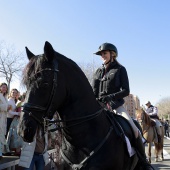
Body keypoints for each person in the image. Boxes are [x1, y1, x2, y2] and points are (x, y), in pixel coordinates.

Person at [92, 42, 152, 170]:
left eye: (105, 53)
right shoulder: (98, 72)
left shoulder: (120, 69)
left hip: (115, 107)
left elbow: (125, 90)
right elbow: (93, 91)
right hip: (100, 108)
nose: (102, 56)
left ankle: (143, 161)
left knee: (135, 129)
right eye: (101, 54)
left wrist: (110, 97)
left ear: (112, 54)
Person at [0, 83, 10, 159]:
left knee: (2, 135)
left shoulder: (5, 97)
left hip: (3, 118)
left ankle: (0, 153)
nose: (4, 89)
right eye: (3, 87)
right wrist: (7, 107)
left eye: (5, 88)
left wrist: (7, 108)